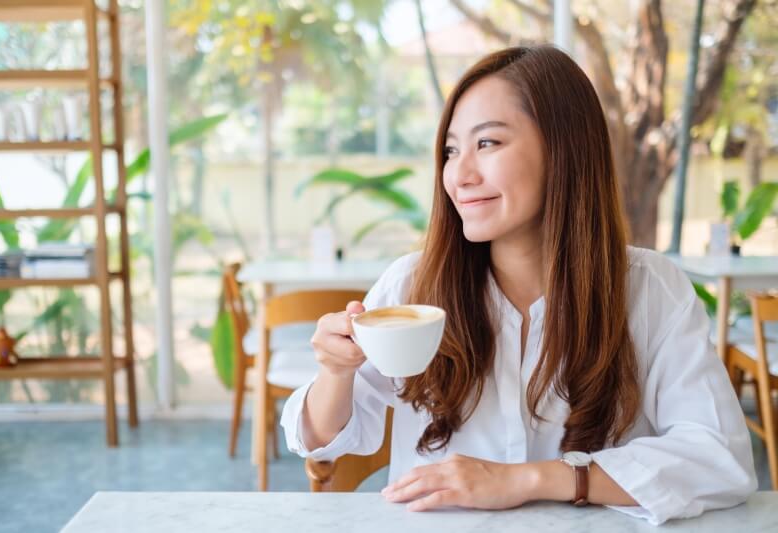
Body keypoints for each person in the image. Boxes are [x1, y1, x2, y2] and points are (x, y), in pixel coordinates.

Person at [280, 46, 756, 525]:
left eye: (487, 144)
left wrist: (528, 479)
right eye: (450, 151)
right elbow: (321, 440)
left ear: (564, 148)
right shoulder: (411, 285)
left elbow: (719, 456)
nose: (460, 175)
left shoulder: (650, 290)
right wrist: (335, 373)